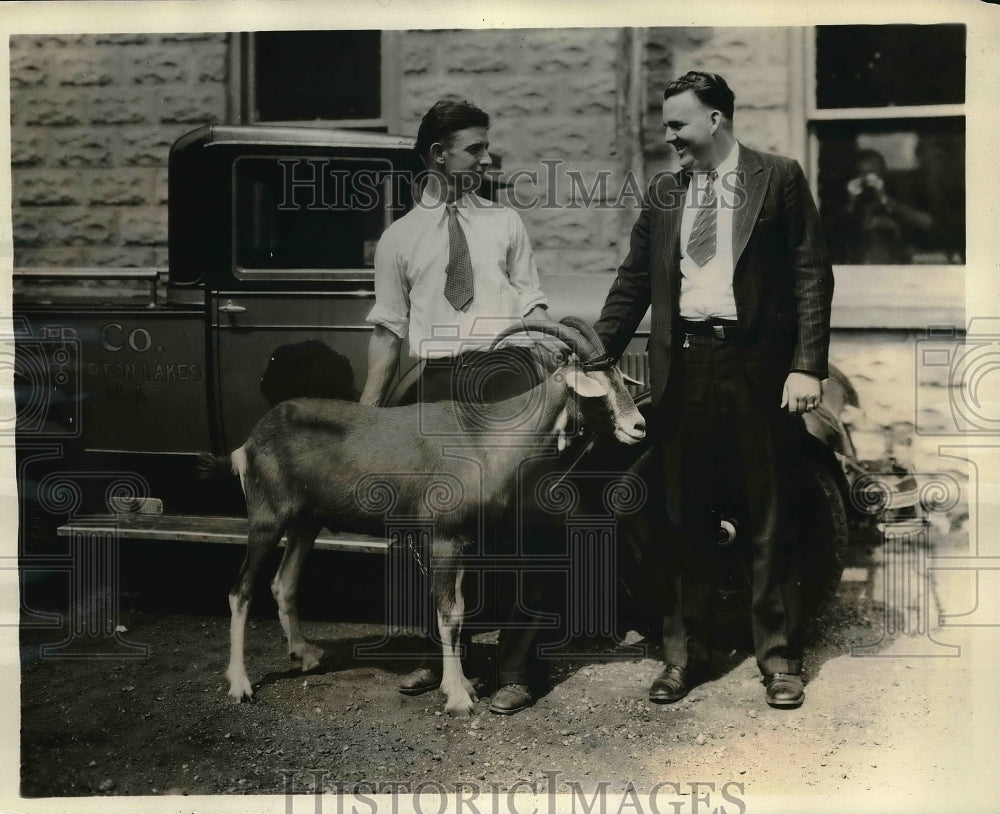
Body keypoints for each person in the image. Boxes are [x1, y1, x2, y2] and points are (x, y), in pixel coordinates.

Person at [593, 71, 834, 709]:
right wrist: (598, 352)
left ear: (716, 120)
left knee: (768, 514)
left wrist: (806, 365)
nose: (669, 137)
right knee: (681, 516)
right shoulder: (666, 192)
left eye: (678, 124)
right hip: (683, 370)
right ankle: (683, 656)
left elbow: (812, 274)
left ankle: (779, 659)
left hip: (757, 369)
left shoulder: (778, 178)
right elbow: (632, 282)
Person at [360, 99, 558, 715]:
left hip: (506, 381)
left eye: (485, 146)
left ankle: (520, 669)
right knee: (425, 525)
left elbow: (534, 303)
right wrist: (367, 414)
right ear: (437, 154)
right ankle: (437, 654)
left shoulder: (505, 224)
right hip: (438, 386)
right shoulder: (399, 238)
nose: (487, 157)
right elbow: (389, 332)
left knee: (520, 521)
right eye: (474, 148)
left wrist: (551, 369)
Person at [842, 148, 933, 264]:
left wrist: (886, 200)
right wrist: (851, 202)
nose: (865, 180)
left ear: (883, 174)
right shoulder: (851, 203)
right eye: (861, 174)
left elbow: (926, 223)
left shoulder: (898, 196)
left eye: (871, 174)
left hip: (896, 264)